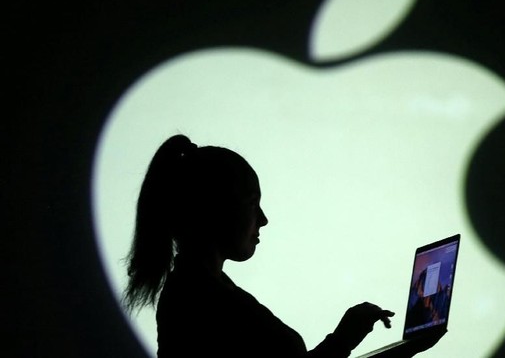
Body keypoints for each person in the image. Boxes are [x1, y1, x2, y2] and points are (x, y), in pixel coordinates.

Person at [121, 134, 444, 357]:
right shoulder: (201, 298)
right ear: (215, 209)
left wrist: (357, 340)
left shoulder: (201, 290)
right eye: (252, 204)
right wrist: (344, 339)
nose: (263, 219)